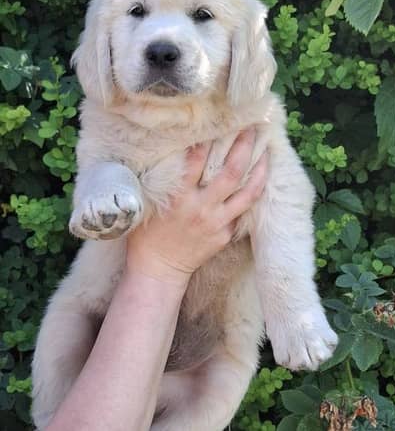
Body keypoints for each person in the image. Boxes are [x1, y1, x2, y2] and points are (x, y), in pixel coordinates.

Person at [46, 127, 267, 431]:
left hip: (208, 360)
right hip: (99, 320)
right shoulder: (122, 123)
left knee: (221, 387)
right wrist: (160, 266)